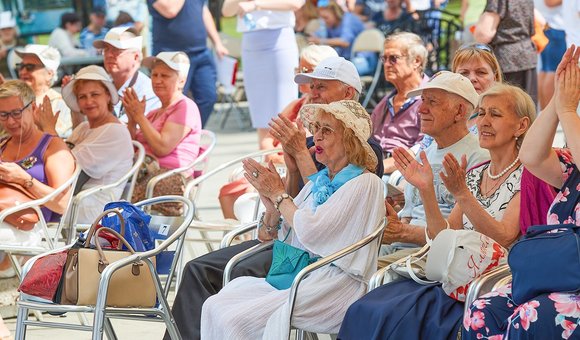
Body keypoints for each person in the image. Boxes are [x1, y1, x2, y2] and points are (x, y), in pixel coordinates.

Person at [167, 56, 384, 340]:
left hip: (324, 279)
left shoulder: (363, 175)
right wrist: (272, 205)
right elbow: (288, 224)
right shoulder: (326, 172)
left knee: (231, 301)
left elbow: (311, 229)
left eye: (325, 130)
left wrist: (281, 192)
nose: (316, 137)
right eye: (315, 129)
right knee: (214, 299)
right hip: (300, 264)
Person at [339, 82, 535, 340]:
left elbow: (505, 236)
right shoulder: (476, 174)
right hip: (451, 272)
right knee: (367, 308)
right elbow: (442, 236)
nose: (484, 122)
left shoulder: (529, 175)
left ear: (521, 126)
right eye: (482, 113)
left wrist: (463, 195)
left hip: (488, 282)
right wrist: (426, 190)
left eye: (495, 114)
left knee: (398, 315)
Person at [462, 44, 580, 340]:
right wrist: (556, 99)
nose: (484, 121)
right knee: (482, 310)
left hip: (570, 286)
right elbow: (532, 156)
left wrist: (568, 110)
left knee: (529, 317)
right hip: (553, 275)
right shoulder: (571, 166)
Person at [219, 45, 339, 219]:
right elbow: (269, 137)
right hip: (278, 163)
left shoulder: (326, 114)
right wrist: (272, 155)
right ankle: (242, 237)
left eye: (305, 70)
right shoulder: (296, 104)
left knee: (244, 196)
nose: (300, 74)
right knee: (227, 192)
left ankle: (253, 235)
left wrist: (281, 158)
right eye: (299, 69)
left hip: (291, 171)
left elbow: (312, 154)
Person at [379, 71, 489, 260]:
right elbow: (409, 215)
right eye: (423, 101)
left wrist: (403, 232)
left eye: (432, 102)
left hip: (434, 257)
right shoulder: (427, 153)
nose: (421, 109)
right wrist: (393, 224)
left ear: (460, 112)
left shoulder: (478, 157)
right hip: (402, 249)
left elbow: (459, 234)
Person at [0, 80, 75, 275]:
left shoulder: (52, 147)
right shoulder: (3, 145)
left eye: (16, 113)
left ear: (32, 108)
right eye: (3, 115)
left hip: (34, 227)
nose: (10, 121)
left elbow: (62, 204)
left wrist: (24, 178)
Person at [41, 65, 133, 223]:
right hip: (72, 199)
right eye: (82, 97)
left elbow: (68, 173)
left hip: (92, 209)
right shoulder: (85, 127)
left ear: (108, 96)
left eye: (95, 94)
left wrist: (49, 130)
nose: (88, 101)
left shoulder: (114, 132)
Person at [122, 51, 202, 213]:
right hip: (145, 173)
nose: (157, 80)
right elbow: (130, 149)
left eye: (164, 76)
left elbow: (162, 147)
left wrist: (139, 116)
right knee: (107, 182)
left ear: (181, 81)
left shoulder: (185, 106)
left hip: (169, 178)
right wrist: (132, 120)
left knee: (121, 200)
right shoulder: (153, 113)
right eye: (154, 75)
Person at [222, 0, 303, 150]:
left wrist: (256, 5)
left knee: (285, 108)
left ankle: (289, 162)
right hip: (251, 42)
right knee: (260, 112)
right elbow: (227, 10)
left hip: (279, 38)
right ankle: (267, 162)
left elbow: (295, 3)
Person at [147, 0, 229, 128]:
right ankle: (171, 137)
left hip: (200, 52)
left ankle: (190, 134)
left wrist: (217, 42)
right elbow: (170, 10)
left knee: (208, 96)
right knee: (172, 101)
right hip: (171, 56)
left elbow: (203, 11)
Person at [370, 32, 428, 180]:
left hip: (403, 173)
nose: (387, 64)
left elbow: (424, 149)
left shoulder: (430, 99)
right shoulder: (387, 102)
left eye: (393, 58)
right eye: (384, 58)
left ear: (416, 61)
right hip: (376, 166)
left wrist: (377, 168)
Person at [474, 0, 537, 104]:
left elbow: (484, 34)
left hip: (506, 59)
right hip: (528, 55)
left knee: (504, 108)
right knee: (526, 108)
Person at [93, 26, 160, 121]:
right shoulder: (100, 85)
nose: (109, 55)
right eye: (106, 49)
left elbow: (132, 132)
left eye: (117, 50)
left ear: (136, 57)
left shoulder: (148, 91)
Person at [14, 45, 72, 137]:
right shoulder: (12, 100)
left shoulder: (61, 104)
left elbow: (58, 140)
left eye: (30, 67)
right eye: (21, 66)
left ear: (49, 74)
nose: (23, 72)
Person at [534, 0, 567, 109]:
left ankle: (544, 113)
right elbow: (550, 2)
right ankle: (548, 115)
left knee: (545, 70)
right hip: (555, 27)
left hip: (548, 26)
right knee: (553, 71)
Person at [0, 11, 25, 80]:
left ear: (14, 30)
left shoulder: (22, 45)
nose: (6, 31)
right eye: (3, 29)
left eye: (9, 28)